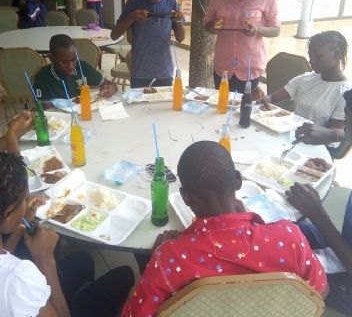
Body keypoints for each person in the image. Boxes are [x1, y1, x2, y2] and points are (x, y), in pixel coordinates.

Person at [121, 141, 327, 317]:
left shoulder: (169, 257)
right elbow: (319, 293)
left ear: (185, 197)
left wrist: (152, 261)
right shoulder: (290, 237)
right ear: (238, 180)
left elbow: (135, 314)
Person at [0, 152, 134, 317]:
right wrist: (45, 259)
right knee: (124, 275)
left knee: (84, 260)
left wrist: (20, 225)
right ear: (7, 215)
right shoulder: (17, 279)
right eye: (23, 201)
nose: (27, 203)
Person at [285, 88, 352, 315]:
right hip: (343, 244)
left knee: (271, 258)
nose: (345, 126)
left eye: (348, 120)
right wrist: (333, 134)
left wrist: (317, 214)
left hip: (347, 283)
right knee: (285, 223)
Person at [204, 0, 280, 93]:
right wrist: (212, 26)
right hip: (223, 67)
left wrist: (257, 29)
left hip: (250, 69)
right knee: (222, 105)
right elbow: (207, 23)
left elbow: (276, 29)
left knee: (245, 106)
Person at [261, 31, 351, 147]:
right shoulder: (305, 79)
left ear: (337, 54)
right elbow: (273, 98)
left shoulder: (345, 93)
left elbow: (332, 135)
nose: (311, 61)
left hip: (318, 148)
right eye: (310, 55)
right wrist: (263, 99)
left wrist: (324, 133)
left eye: (318, 56)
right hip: (292, 138)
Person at [111, 0, 185, 88]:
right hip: (139, 72)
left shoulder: (171, 3)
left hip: (164, 72)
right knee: (139, 101)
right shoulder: (133, 3)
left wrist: (178, 20)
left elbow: (180, 38)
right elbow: (114, 35)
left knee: (163, 101)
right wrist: (131, 17)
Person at [34, 34, 117, 101]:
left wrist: (111, 88)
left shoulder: (82, 67)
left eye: (74, 59)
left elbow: (109, 84)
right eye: (64, 62)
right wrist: (72, 103)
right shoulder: (42, 77)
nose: (71, 66)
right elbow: (44, 109)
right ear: (51, 59)